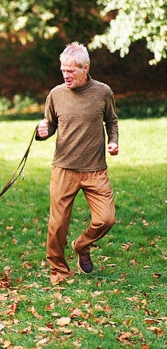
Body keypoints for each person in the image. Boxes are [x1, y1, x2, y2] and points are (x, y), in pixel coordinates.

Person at [36, 42, 119, 286]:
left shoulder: (103, 92)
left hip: (95, 170)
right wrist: (41, 131)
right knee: (57, 224)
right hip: (64, 169)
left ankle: (82, 245)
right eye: (63, 70)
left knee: (107, 218)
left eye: (71, 71)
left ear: (85, 69)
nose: (65, 75)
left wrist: (113, 141)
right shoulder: (56, 94)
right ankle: (59, 271)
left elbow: (111, 121)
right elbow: (49, 126)